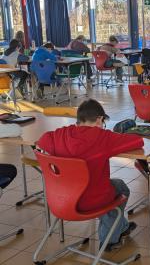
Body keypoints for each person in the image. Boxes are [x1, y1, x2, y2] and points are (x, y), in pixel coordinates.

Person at [36, 99, 144, 251]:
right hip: (92, 201)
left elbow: (41, 141)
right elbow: (138, 141)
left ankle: (121, 227)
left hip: (62, 199)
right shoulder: (103, 137)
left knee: (112, 187)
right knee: (120, 188)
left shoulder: (60, 134)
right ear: (99, 119)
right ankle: (110, 240)